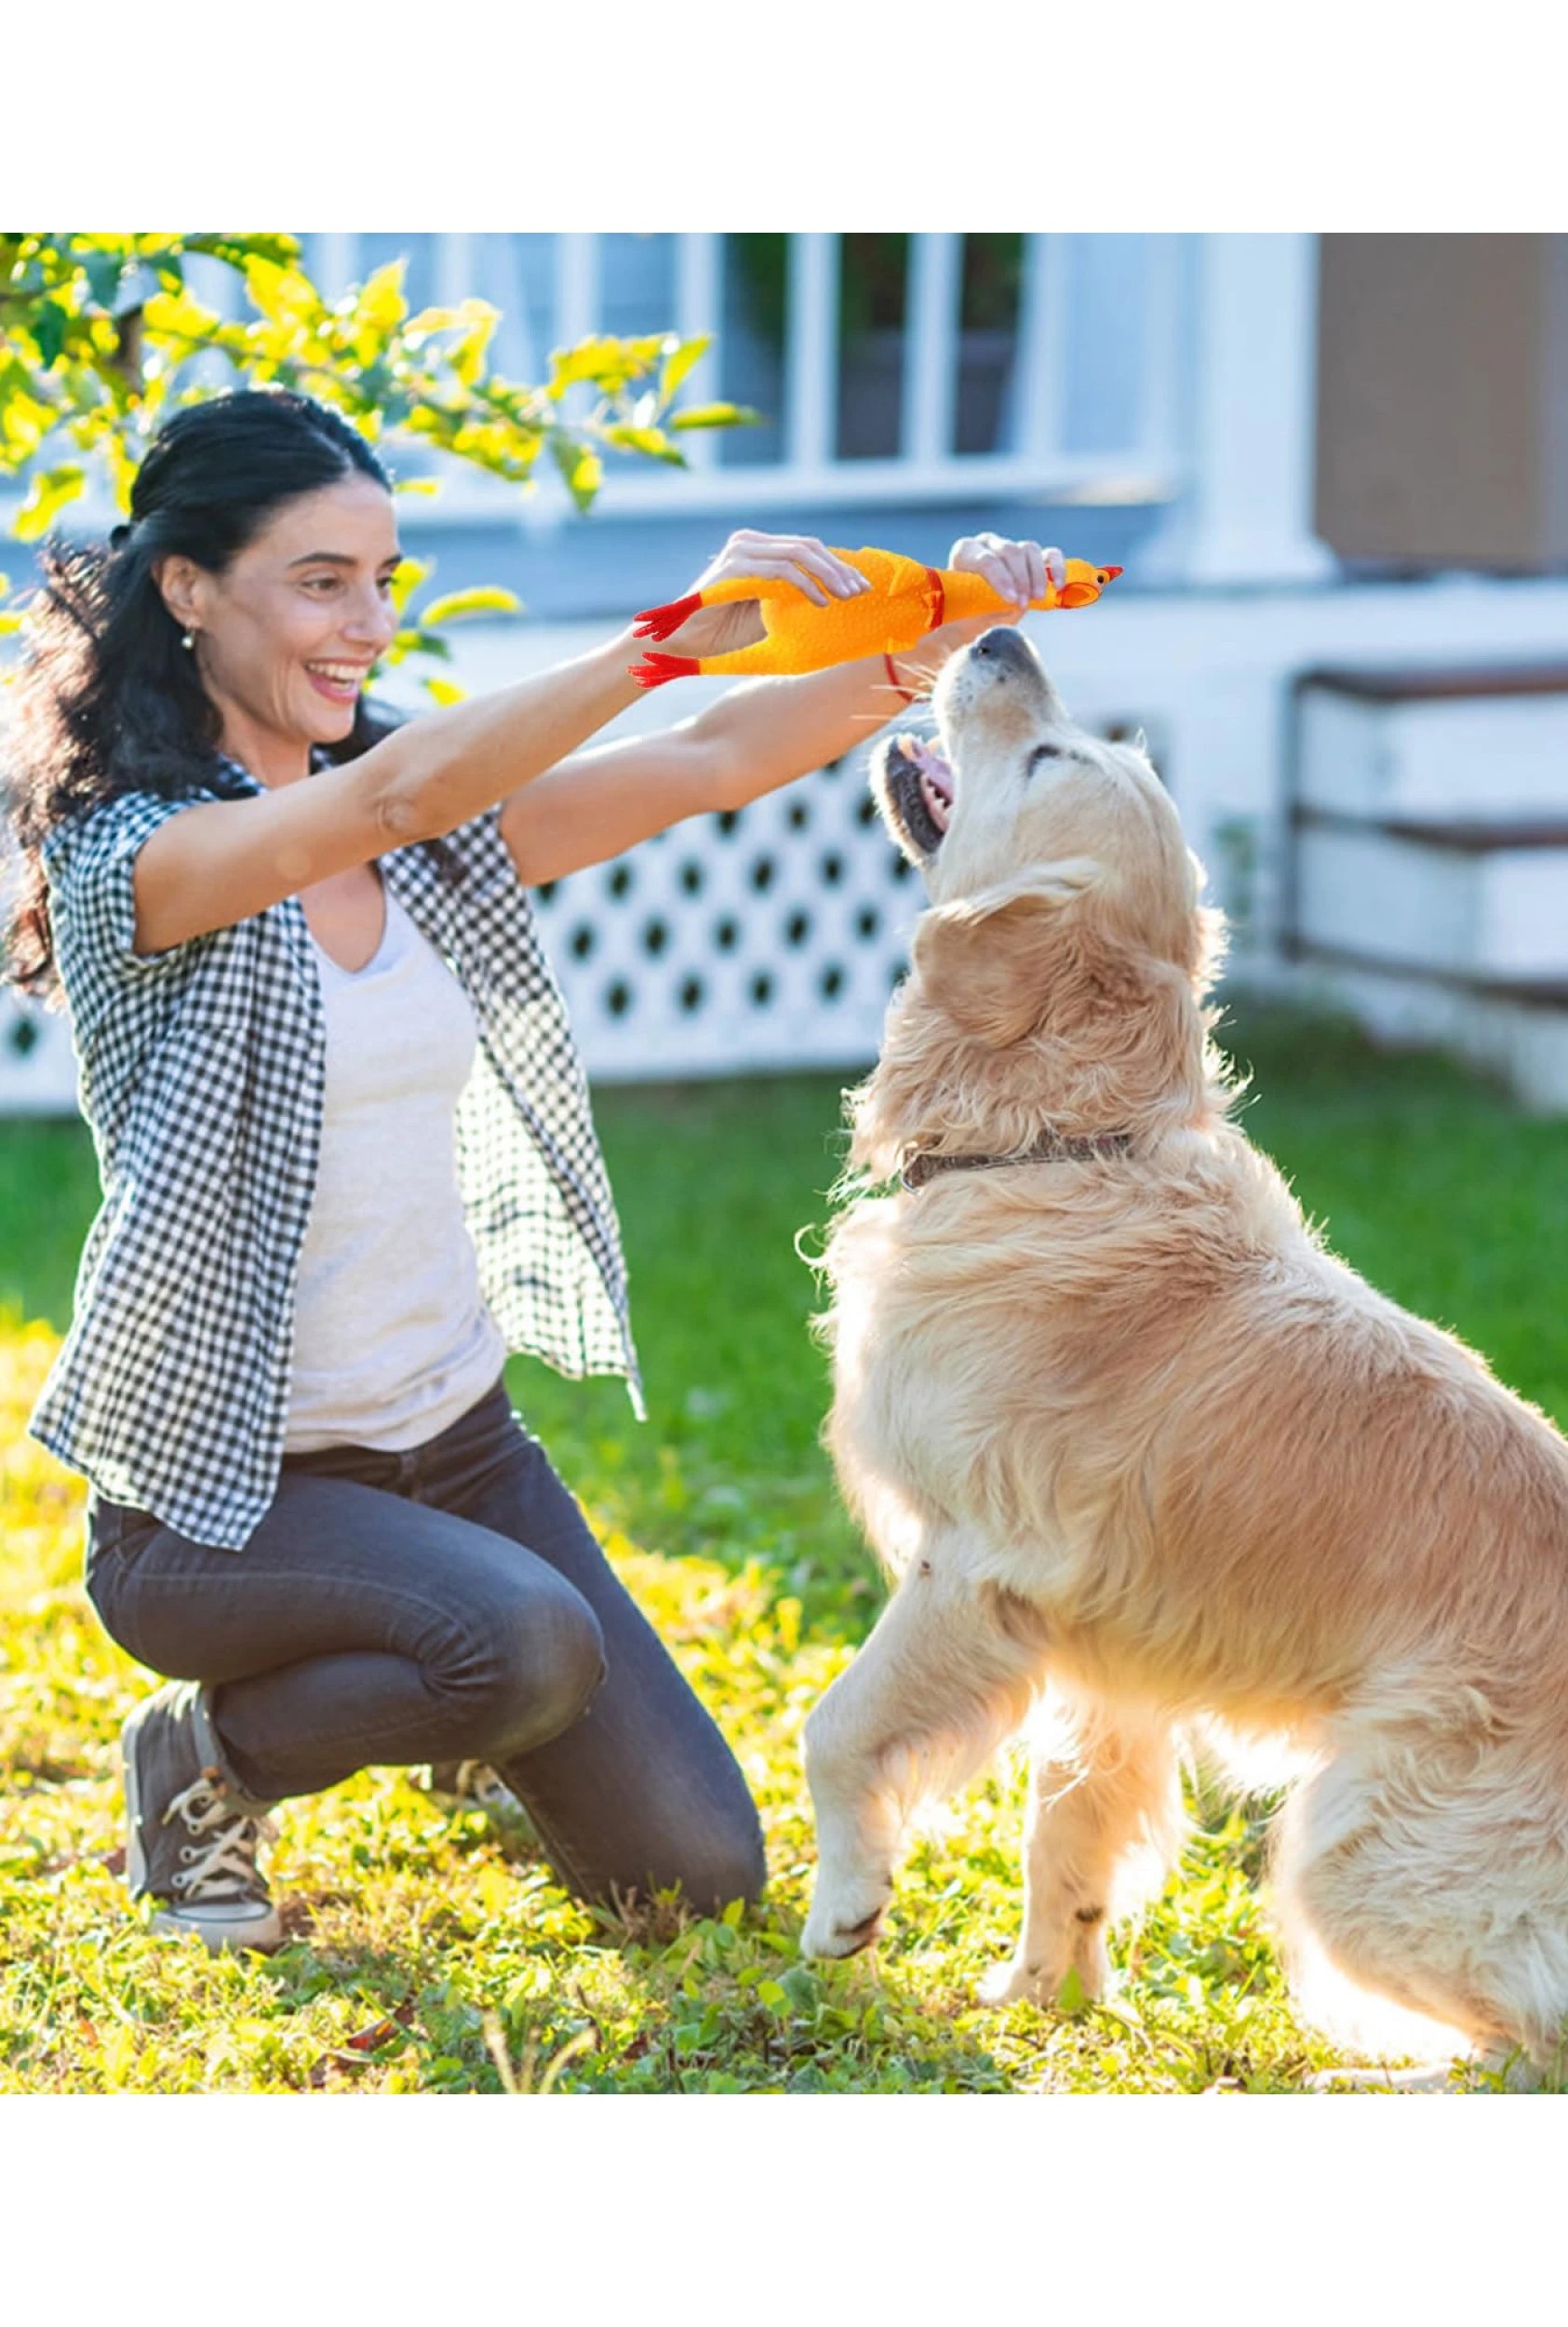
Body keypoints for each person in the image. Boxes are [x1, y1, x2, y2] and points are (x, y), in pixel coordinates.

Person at [4, 383, 1069, 1951]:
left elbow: (711, 757)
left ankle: (454, 1676)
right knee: (521, 1642)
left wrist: (949, 638)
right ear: (187, 588)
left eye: (382, 580)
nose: (367, 625)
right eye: (320, 581)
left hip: (454, 1446)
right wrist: (664, 636)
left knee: (693, 1875)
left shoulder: (422, 839)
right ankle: (206, 1760)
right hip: (224, 1504)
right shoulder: (136, 857)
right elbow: (390, 791)